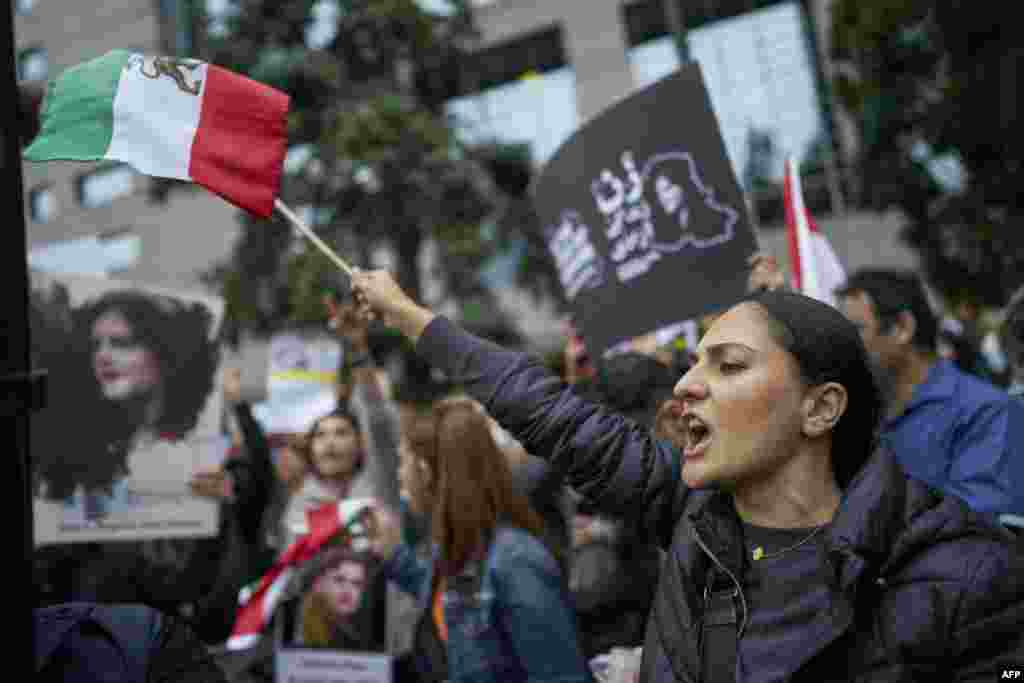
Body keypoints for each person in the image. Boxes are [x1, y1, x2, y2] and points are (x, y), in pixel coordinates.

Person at [351, 266, 1024, 682]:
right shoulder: (693, 517)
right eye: (693, 365)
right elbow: (550, 410)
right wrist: (412, 318)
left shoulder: (965, 576)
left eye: (728, 366)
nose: (686, 388)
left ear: (820, 408)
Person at [373, 398, 591, 683]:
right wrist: (393, 555)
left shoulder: (516, 562)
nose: (400, 475)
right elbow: (447, 602)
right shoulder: (457, 549)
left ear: (425, 471)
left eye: (403, 464)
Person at [836, 269, 1024, 516]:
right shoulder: (859, 415)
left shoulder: (986, 413)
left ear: (902, 328)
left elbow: (975, 534)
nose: (844, 345)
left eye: (856, 329)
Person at [36, 289, 219, 520]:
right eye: (96, 345)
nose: (102, 356)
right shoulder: (76, 449)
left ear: (164, 355)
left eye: (122, 343)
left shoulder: (203, 445)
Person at [297, 546, 385, 652]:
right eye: (339, 580)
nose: (348, 590)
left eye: (356, 584)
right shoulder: (312, 630)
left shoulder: (347, 632)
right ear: (318, 584)